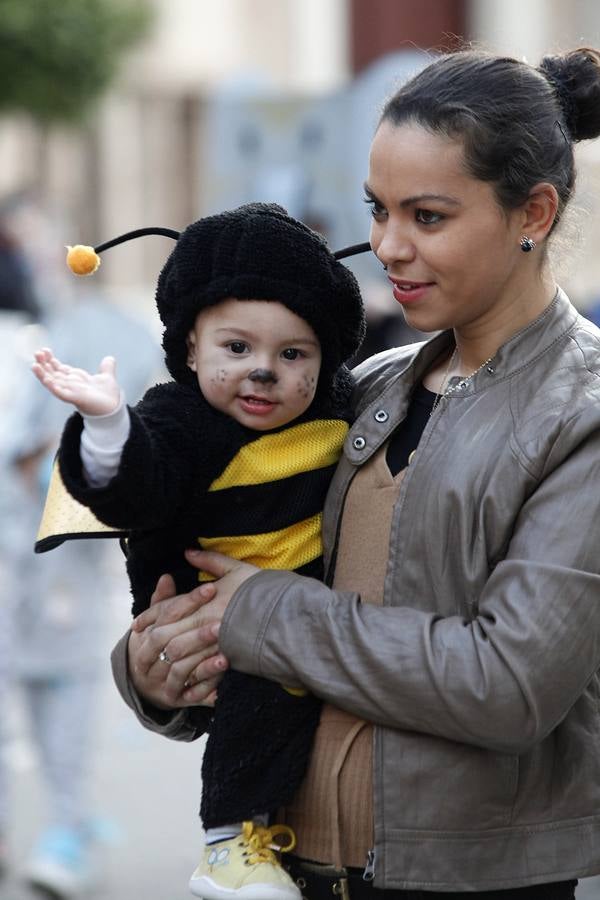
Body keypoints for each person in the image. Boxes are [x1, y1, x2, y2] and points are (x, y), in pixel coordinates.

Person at [112, 45, 600, 900]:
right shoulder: (356, 390)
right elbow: (230, 569)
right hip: (292, 869)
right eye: (377, 210)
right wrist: (157, 670)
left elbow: (510, 686)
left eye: (429, 217)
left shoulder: (582, 411)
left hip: (472, 883)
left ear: (534, 210)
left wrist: (261, 611)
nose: (386, 246)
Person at [33, 202, 365, 900]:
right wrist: (106, 427)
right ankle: (229, 845)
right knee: (262, 694)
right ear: (190, 349)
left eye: (292, 354)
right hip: (212, 608)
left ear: (326, 359)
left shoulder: (343, 408)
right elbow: (136, 489)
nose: (264, 373)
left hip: (302, 603)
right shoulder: (181, 418)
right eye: (236, 349)